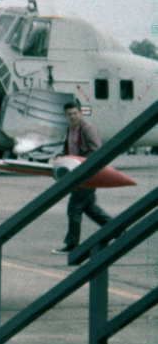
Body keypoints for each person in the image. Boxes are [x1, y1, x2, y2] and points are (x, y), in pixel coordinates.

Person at [55, 101, 110, 254]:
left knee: (74, 209)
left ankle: (72, 245)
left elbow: (96, 151)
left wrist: (80, 163)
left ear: (80, 113)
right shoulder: (70, 129)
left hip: (87, 174)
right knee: (90, 208)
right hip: (77, 173)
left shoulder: (88, 129)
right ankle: (118, 230)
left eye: (75, 113)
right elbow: (68, 149)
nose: (73, 116)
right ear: (65, 116)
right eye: (69, 114)